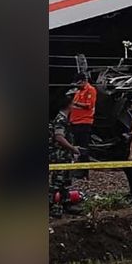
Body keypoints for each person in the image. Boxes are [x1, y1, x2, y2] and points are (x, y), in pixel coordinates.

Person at [49, 89, 80, 218]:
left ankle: (65, 204)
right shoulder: (61, 119)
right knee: (57, 182)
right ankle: (50, 206)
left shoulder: (64, 119)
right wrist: (73, 148)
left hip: (64, 156)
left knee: (65, 181)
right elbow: (59, 137)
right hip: (59, 156)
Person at [69, 72, 97, 149]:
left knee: (82, 146)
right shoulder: (78, 91)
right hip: (74, 121)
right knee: (74, 145)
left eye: (79, 83)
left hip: (83, 122)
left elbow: (89, 105)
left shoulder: (90, 90)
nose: (78, 85)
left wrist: (74, 103)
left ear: (84, 81)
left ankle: (84, 159)